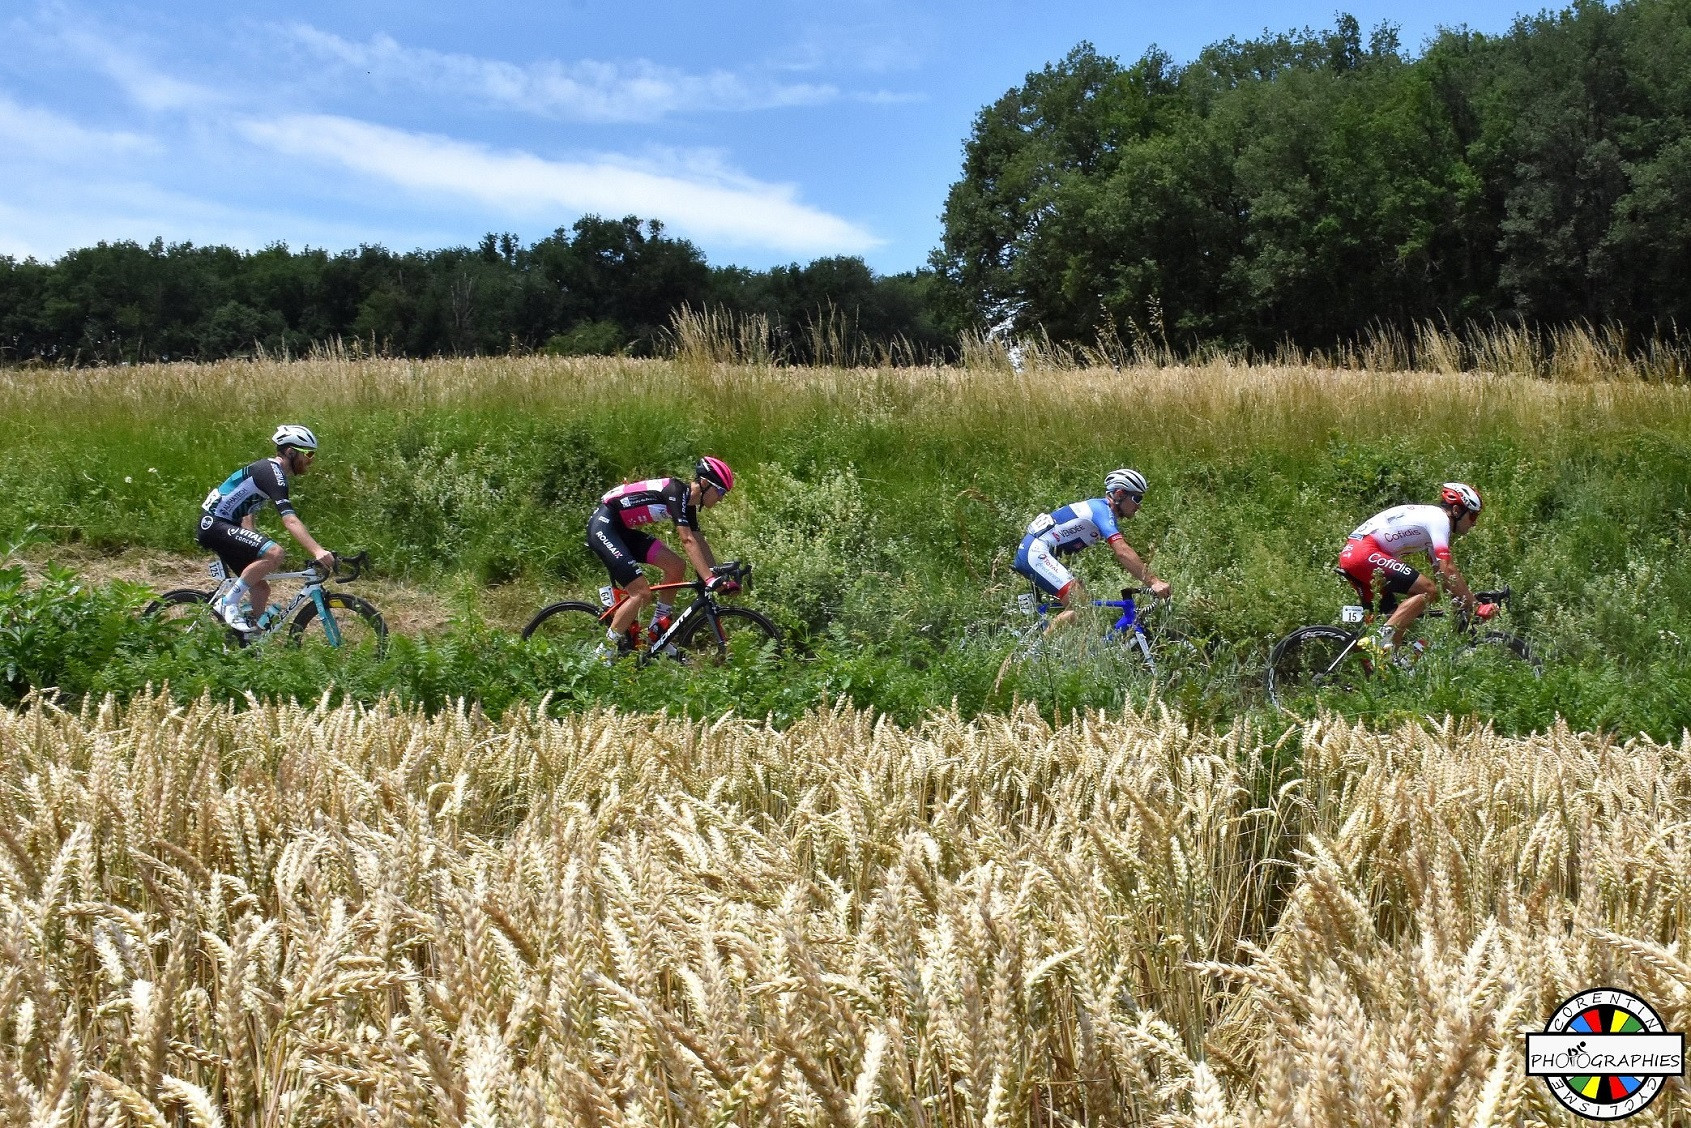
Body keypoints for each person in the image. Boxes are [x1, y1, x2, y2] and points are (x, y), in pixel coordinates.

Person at [587, 456, 737, 655]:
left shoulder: (688, 503)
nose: (721, 498)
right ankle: (603, 653)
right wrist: (709, 579)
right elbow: (687, 541)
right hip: (604, 527)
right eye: (720, 492)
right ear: (705, 484)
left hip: (620, 531)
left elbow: (699, 541)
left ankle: (657, 631)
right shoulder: (676, 492)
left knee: (676, 566)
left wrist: (715, 575)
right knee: (641, 593)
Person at [197, 425, 336, 632]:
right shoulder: (273, 473)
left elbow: (246, 507)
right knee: (275, 553)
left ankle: (252, 641)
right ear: (290, 452)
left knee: (261, 588)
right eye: (308, 453)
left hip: (222, 525)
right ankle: (227, 603)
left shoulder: (269, 471)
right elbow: (290, 520)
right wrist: (317, 550)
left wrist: (250, 538)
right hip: (214, 524)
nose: (311, 459)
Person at [1338, 482, 1495, 654]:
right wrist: (1475, 605)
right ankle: (1377, 641)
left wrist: (1461, 601)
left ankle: (1386, 668)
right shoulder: (1439, 520)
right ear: (1457, 511)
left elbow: (1442, 575)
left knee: (1397, 618)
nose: (1474, 523)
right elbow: (1447, 569)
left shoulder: (1431, 522)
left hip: (1355, 554)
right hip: (1364, 552)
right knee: (1428, 590)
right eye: (1473, 516)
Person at [1013, 468, 1171, 629]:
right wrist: (1154, 582)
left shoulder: (1100, 511)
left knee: (1082, 600)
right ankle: (1037, 654)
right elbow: (1122, 551)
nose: (1139, 506)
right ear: (1119, 494)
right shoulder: (1101, 510)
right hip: (1035, 553)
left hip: (1035, 552)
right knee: (1081, 608)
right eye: (1137, 498)